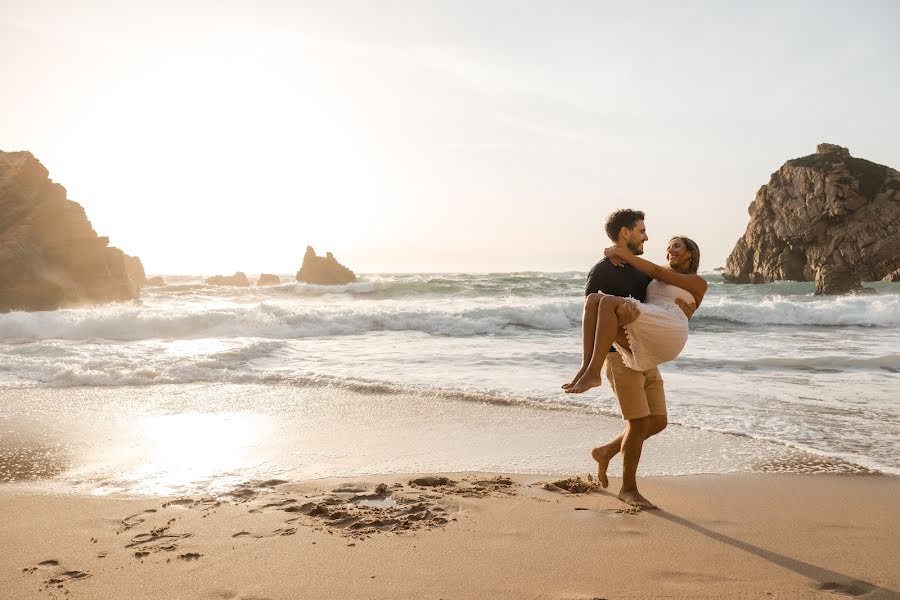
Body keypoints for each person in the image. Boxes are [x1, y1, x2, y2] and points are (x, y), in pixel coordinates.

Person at [561, 209, 704, 509]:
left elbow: (659, 280)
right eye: (642, 231)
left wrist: (622, 255)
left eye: (676, 246)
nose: (649, 238)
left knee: (658, 421)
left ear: (691, 254)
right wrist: (596, 359)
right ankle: (628, 488)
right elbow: (591, 312)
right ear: (626, 233)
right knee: (639, 423)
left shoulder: (648, 271)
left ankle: (605, 452)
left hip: (648, 347)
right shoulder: (603, 269)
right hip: (618, 356)